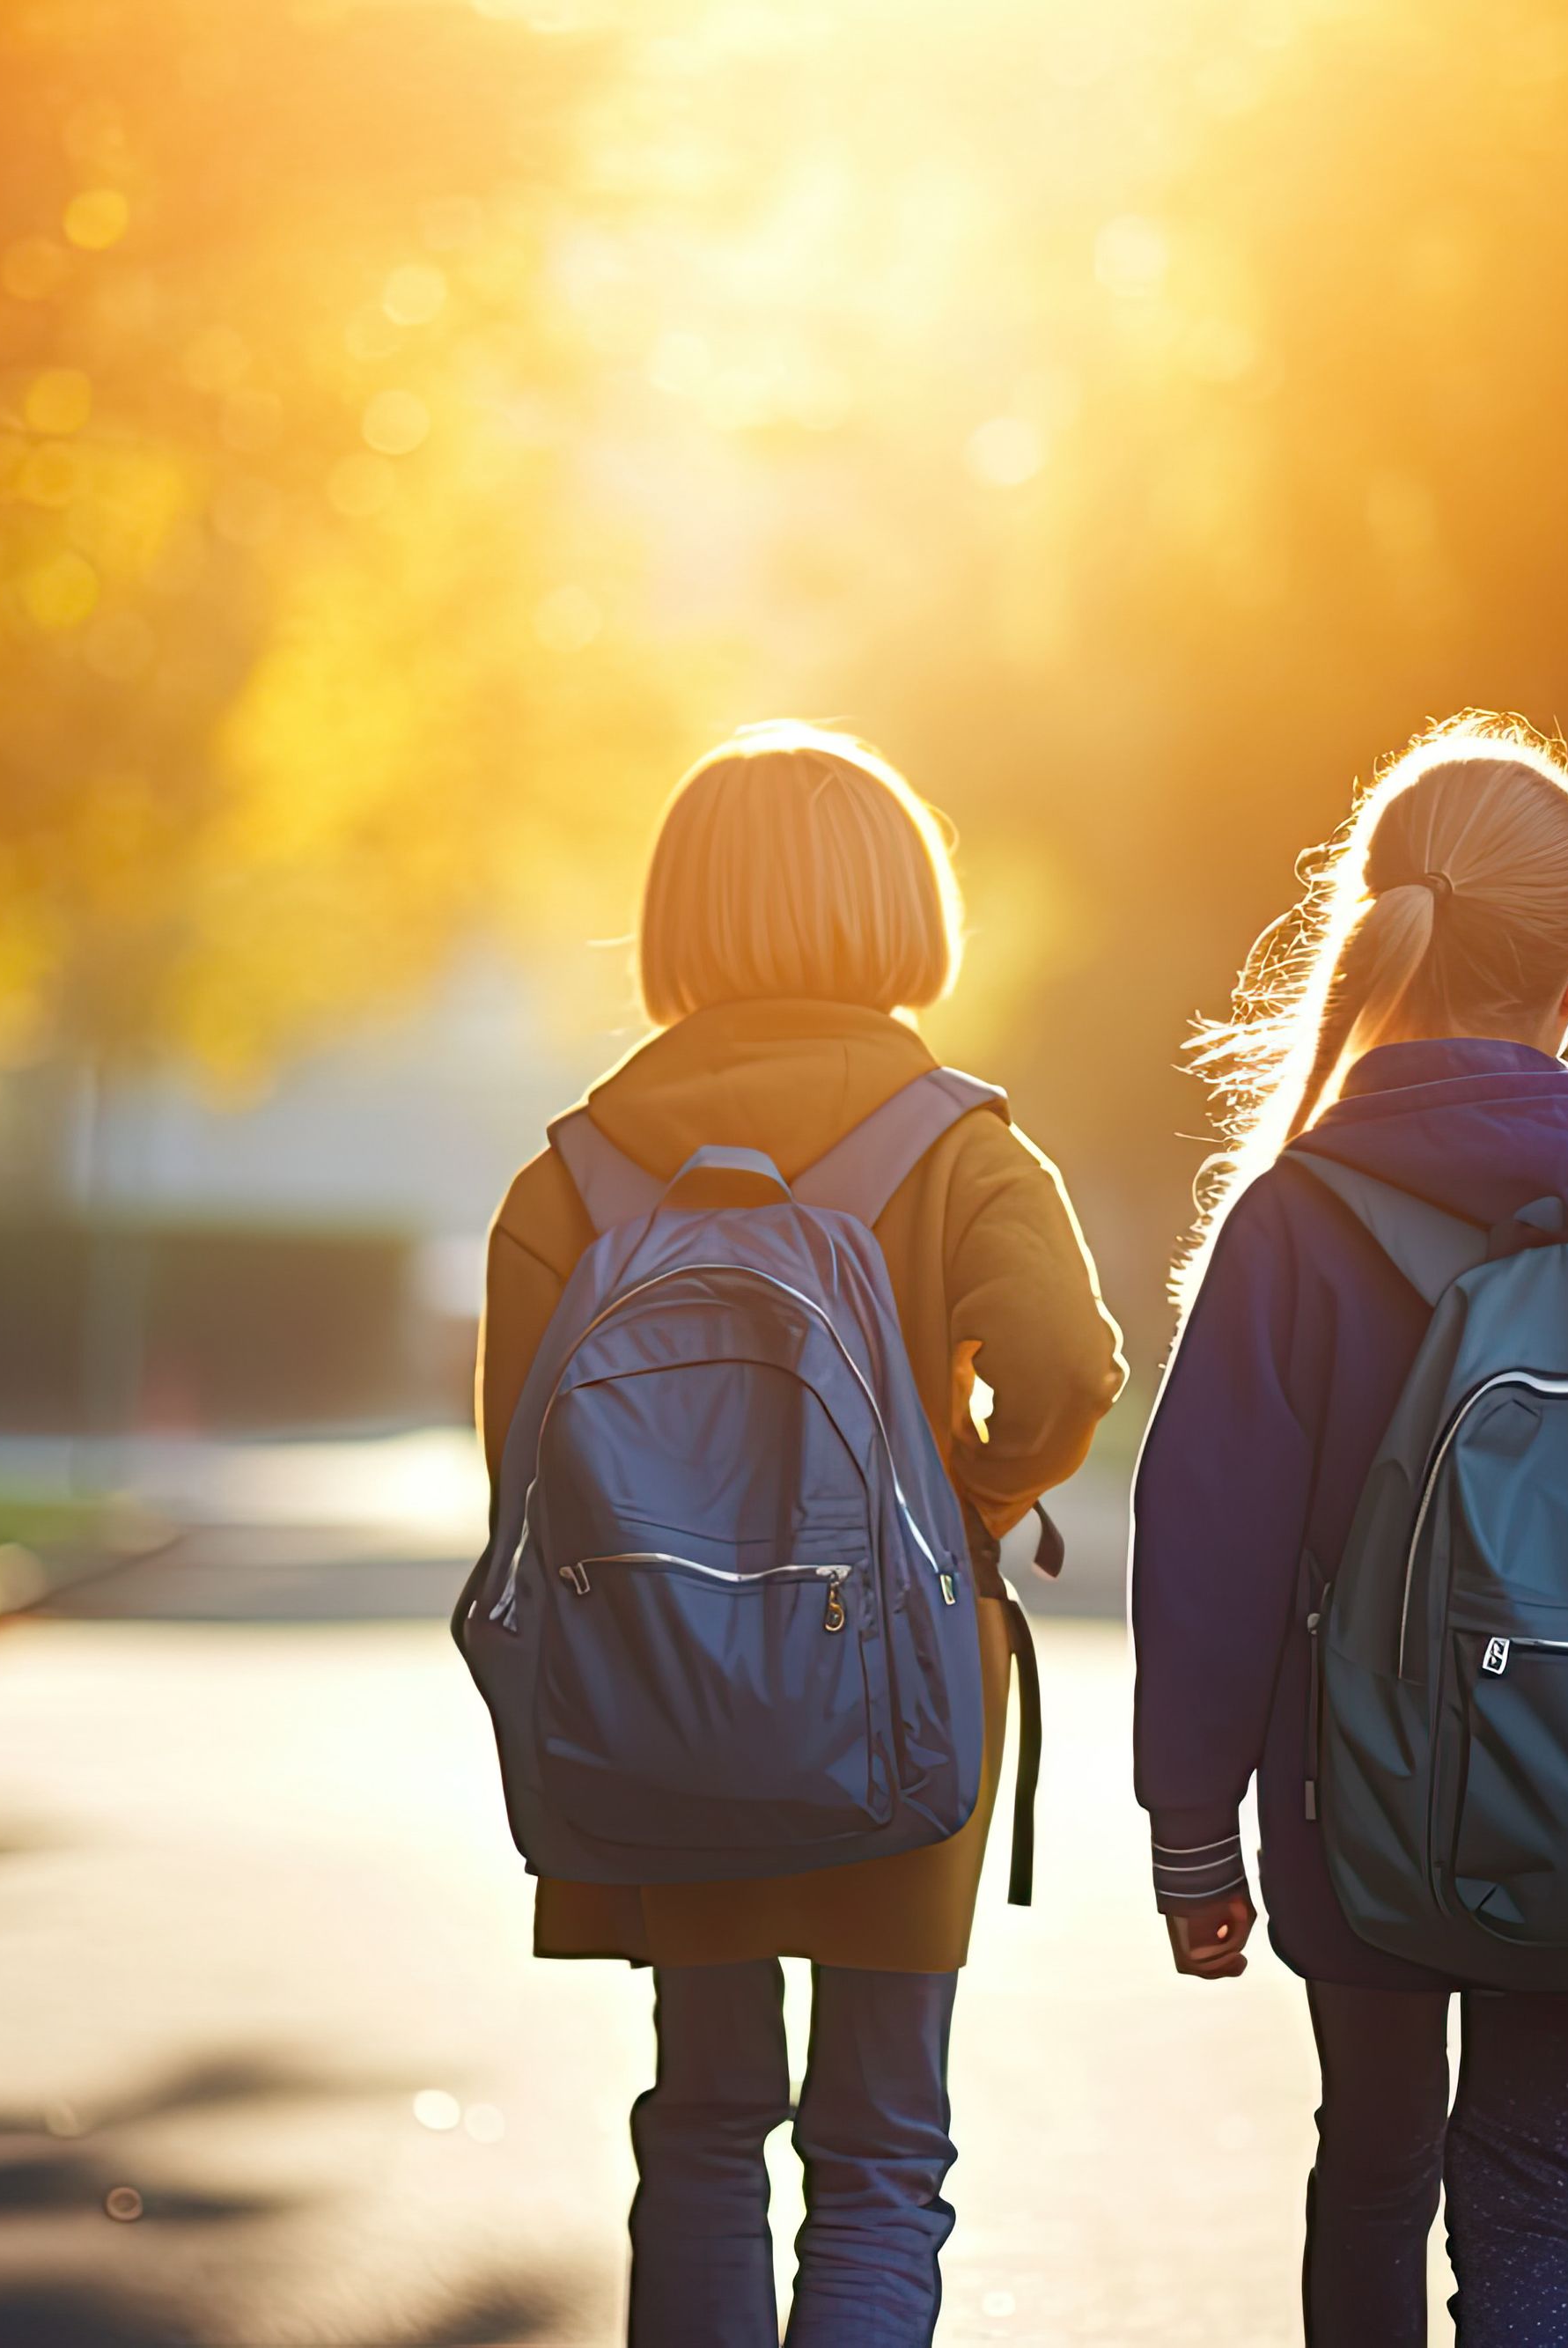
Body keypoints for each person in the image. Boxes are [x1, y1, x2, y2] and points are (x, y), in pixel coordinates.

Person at [1130, 715, 1568, 2346]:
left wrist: (1191, 1833)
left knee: (1374, 2164)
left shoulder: (1301, 1216)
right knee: (1527, 2188)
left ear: (1381, 939)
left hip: (1351, 1799)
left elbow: (1209, 1542)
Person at [477, 721, 1125, 2347]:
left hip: (660, 1694)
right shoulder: (963, 1147)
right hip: (900, 1690)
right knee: (882, 2148)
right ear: (905, 903)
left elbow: (522, 1485)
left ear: (679, 911)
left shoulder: (569, 1180)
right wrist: (960, 1511)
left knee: (702, 2118)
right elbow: (1064, 1371)